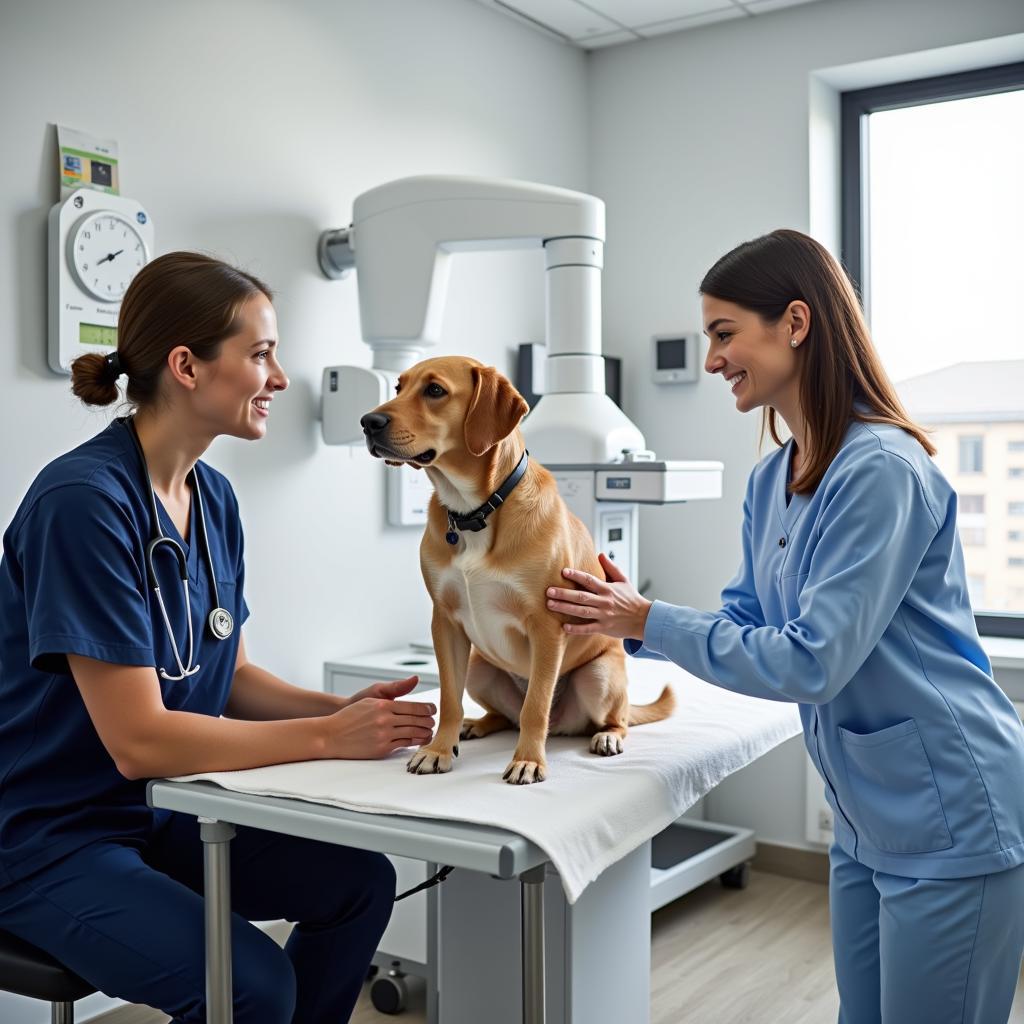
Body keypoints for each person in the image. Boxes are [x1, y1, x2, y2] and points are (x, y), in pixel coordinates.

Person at [545, 229, 1024, 1023]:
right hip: (867, 814)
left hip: (950, 810)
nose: (710, 360)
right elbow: (745, 617)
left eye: (724, 334)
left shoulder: (881, 469)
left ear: (795, 324)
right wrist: (628, 617)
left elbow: (810, 662)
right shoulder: (776, 476)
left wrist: (651, 621)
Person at [0, 252, 436, 1023]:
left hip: (155, 813)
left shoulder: (213, 497)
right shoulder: (82, 504)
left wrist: (343, 707)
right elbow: (141, 741)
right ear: (187, 367)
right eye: (261, 353)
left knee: (359, 883)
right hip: (46, 837)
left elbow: (224, 670)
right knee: (251, 986)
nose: (280, 377)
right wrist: (330, 737)